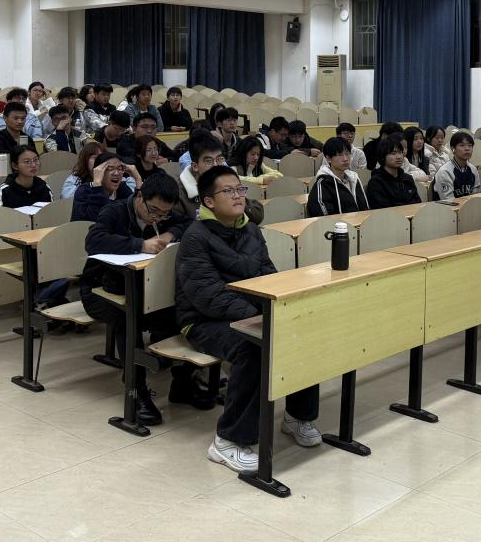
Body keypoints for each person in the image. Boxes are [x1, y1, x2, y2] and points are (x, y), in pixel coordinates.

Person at [177, 165, 322, 470]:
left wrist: (278, 308)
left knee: (303, 329)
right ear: (208, 201)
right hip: (202, 321)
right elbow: (208, 296)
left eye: (240, 189)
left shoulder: (251, 230)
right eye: (228, 191)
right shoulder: (195, 237)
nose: (238, 196)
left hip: (248, 312)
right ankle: (228, 441)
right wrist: (259, 316)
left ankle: (297, 416)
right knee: (253, 346)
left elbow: (269, 275)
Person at [83, 171, 201, 424]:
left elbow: (189, 224)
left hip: (146, 291)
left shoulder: (165, 215)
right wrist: (139, 244)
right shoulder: (114, 212)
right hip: (100, 291)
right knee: (127, 318)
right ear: (139, 196)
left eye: (164, 214)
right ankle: (136, 391)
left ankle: (182, 383)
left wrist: (169, 234)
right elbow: (94, 241)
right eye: (153, 210)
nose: (157, 217)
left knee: (182, 310)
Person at [178, 133, 264, 224]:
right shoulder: (180, 193)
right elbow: (179, 227)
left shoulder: (227, 183)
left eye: (219, 159)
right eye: (209, 161)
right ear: (195, 166)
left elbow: (257, 216)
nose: (216, 165)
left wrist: (238, 199)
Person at [307, 137, 369, 216]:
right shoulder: (323, 183)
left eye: (347, 153)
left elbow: (364, 208)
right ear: (328, 158)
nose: (345, 159)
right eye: (340, 155)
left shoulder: (354, 178)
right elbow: (324, 216)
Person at [71, 153, 135, 222]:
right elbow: (93, 221)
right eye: (110, 169)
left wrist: (138, 179)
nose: (116, 173)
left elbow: (137, 212)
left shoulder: (122, 188)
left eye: (120, 169)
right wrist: (97, 186)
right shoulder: (84, 191)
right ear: (98, 172)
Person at [366, 137, 421, 209]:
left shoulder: (407, 178)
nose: (399, 157)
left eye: (400, 152)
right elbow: (382, 209)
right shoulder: (376, 182)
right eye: (393, 153)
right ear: (383, 156)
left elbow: (418, 203)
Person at [432, 131, 481, 200]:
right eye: (462, 145)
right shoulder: (445, 172)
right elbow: (448, 201)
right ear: (453, 148)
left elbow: (475, 196)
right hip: (444, 206)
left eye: (469, 145)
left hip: (470, 205)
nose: (467, 149)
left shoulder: (473, 169)